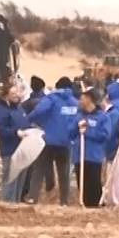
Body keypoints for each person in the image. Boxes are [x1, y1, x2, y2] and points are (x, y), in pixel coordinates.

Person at [26, 77, 79, 206]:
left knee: (39, 169)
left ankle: (33, 197)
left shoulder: (51, 99)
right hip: (66, 142)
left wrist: (30, 119)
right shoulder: (74, 102)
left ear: (57, 86)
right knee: (64, 173)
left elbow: (39, 111)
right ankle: (64, 201)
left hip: (48, 140)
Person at [0, 88, 33, 203]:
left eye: (18, 93)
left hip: (23, 149)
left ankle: (16, 202)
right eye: (13, 93)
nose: (16, 95)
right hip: (10, 150)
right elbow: (0, 130)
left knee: (20, 179)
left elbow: (25, 123)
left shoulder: (20, 109)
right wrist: (16, 132)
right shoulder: (1, 111)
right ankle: (7, 203)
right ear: (6, 96)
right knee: (10, 178)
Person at [77, 89, 117, 207]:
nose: (80, 100)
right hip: (79, 155)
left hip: (94, 155)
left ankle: (96, 205)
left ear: (90, 99)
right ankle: (84, 205)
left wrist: (88, 132)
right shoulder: (79, 115)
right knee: (82, 184)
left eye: (83, 97)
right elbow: (70, 132)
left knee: (94, 183)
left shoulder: (102, 117)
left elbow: (105, 135)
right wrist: (77, 128)